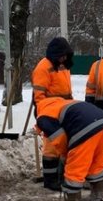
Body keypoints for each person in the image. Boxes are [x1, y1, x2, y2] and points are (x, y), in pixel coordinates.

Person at [35, 97, 103, 201]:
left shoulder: (43, 116)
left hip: (85, 127)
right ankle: (98, 196)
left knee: (75, 169)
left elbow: (60, 139)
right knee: (96, 163)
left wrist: (66, 156)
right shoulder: (62, 104)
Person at [31, 36, 74, 191]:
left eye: (66, 56)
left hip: (63, 110)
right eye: (62, 56)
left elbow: (66, 90)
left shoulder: (63, 66)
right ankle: (50, 180)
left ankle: (60, 176)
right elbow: (39, 97)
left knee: (63, 143)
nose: (64, 58)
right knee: (51, 146)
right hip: (49, 112)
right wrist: (44, 118)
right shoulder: (43, 68)